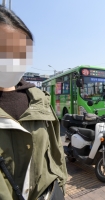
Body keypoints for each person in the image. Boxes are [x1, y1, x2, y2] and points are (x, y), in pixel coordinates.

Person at [0, 5, 68, 200]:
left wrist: (60, 189)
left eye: (21, 54)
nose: (13, 61)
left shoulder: (38, 98)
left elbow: (57, 155)